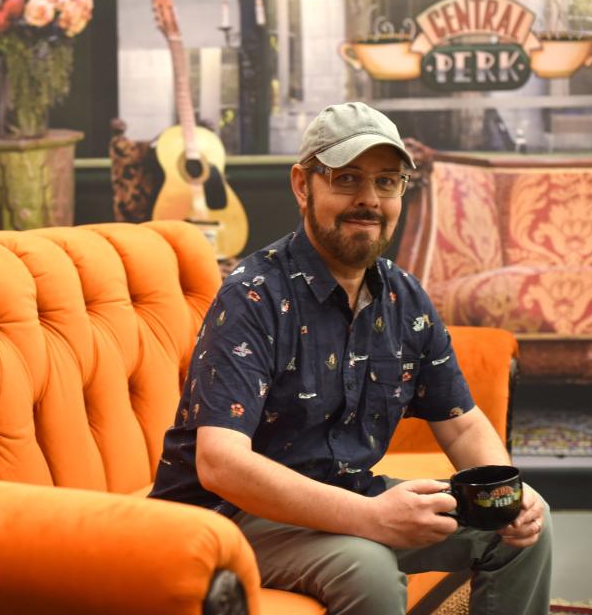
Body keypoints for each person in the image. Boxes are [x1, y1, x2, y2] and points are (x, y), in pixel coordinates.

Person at [149, 102, 551, 614]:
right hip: (227, 517)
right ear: (302, 184)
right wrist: (370, 517)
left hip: (346, 496)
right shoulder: (252, 295)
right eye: (347, 179)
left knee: (522, 532)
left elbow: (463, 424)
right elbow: (220, 464)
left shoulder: (404, 297)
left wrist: (506, 497)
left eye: (387, 181)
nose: (369, 199)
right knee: (368, 567)